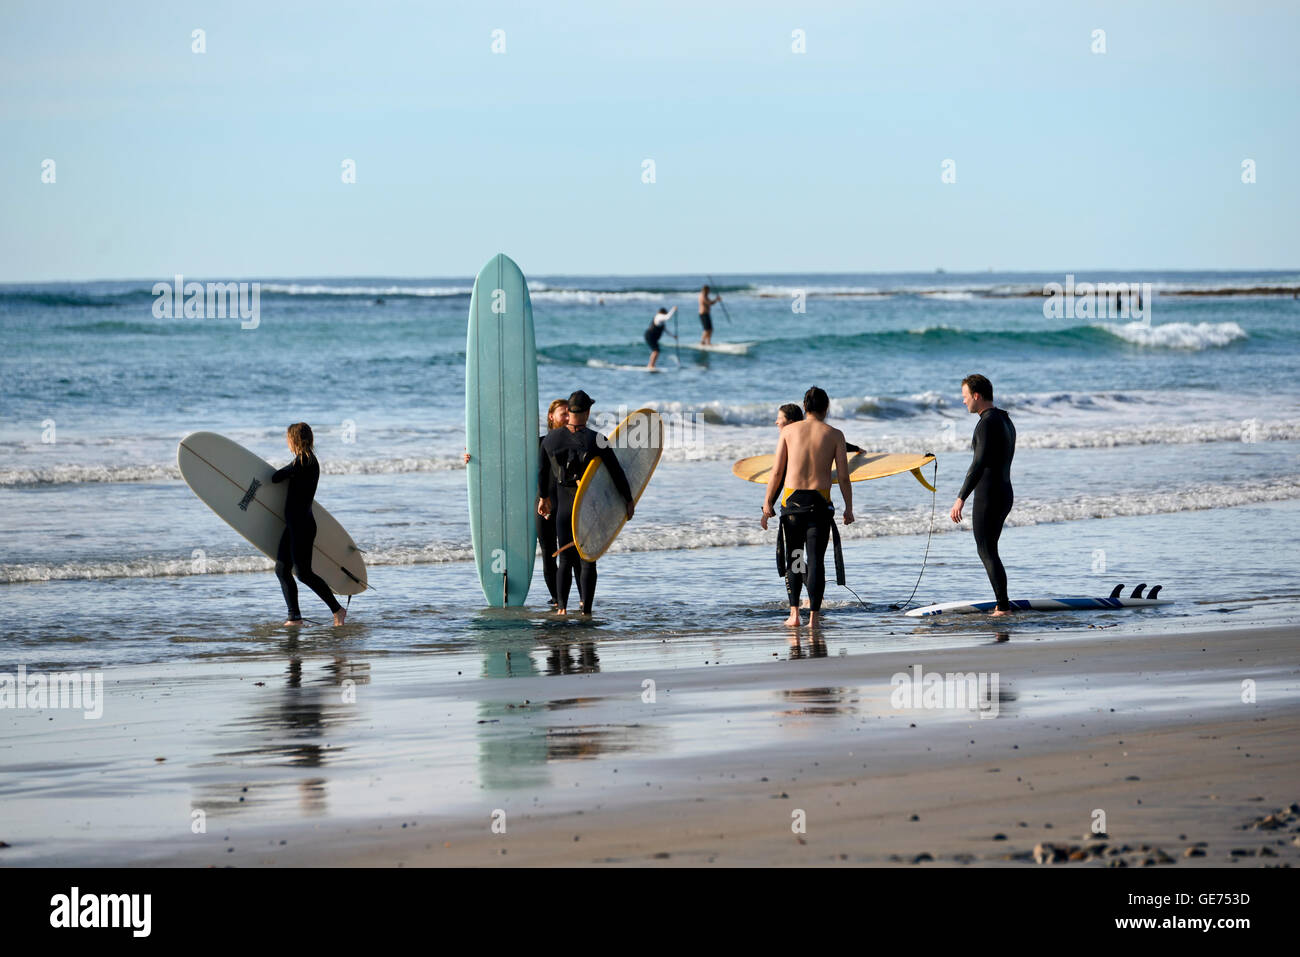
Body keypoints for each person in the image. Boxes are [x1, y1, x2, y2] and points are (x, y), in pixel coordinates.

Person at [760, 387, 854, 628]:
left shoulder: (788, 432)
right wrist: (848, 508)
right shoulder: (835, 434)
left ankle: (794, 616)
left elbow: (777, 471)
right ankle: (813, 619)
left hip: (792, 504)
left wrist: (767, 502)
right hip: (820, 506)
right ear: (826, 408)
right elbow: (843, 477)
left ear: (804, 408)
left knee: (795, 559)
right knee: (817, 561)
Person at [464, 399, 570, 608]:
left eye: (569, 413)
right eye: (563, 413)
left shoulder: (575, 442)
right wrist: (474, 455)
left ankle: (573, 601)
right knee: (549, 555)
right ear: (551, 417)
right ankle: (558, 601)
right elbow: (507, 457)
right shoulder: (540, 443)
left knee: (569, 556)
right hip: (544, 505)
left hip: (568, 506)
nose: (567, 417)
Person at [538, 391, 635, 615]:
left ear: (570, 412)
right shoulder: (596, 439)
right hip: (588, 507)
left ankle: (561, 607)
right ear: (588, 412)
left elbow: (543, 472)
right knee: (587, 559)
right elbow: (615, 472)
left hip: (562, 506)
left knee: (565, 558)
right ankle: (585, 609)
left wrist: (544, 498)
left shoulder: (550, 439)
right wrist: (628, 499)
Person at [949, 374, 1016, 616]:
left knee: (986, 550)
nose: (963, 401)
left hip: (989, 495)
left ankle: (1003, 606)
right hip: (1004, 491)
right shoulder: (1004, 419)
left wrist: (960, 497)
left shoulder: (987, 423)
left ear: (976, 396)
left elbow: (978, 464)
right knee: (990, 550)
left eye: (965, 397)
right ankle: (1002, 603)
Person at [271, 423, 346, 627]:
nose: (286, 443)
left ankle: (337, 610)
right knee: (282, 569)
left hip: (302, 526)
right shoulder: (304, 461)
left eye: (288, 439)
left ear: (294, 439)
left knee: (303, 573)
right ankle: (294, 617)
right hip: (295, 525)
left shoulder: (304, 461)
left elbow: (276, 477)